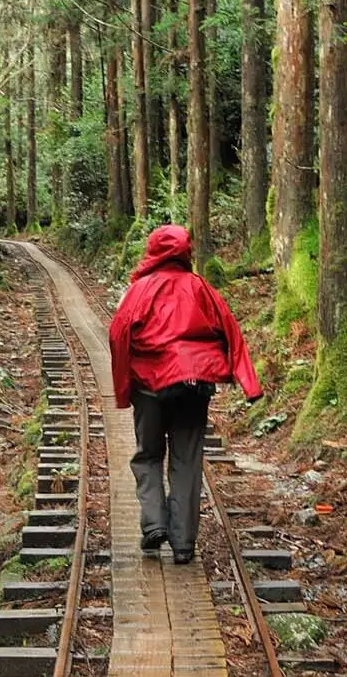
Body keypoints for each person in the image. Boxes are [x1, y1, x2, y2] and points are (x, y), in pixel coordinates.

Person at [107, 225, 262, 564]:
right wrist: (250, 384)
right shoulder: (201, 288)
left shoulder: (139, 290)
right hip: (195, 383)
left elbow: (119, 336)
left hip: (149, 385)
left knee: (147, 454)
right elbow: (231, 332)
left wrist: (123, 390)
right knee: (187, 461)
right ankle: (183, 544)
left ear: (152, 251)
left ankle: (153, 524)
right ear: (185, 251)